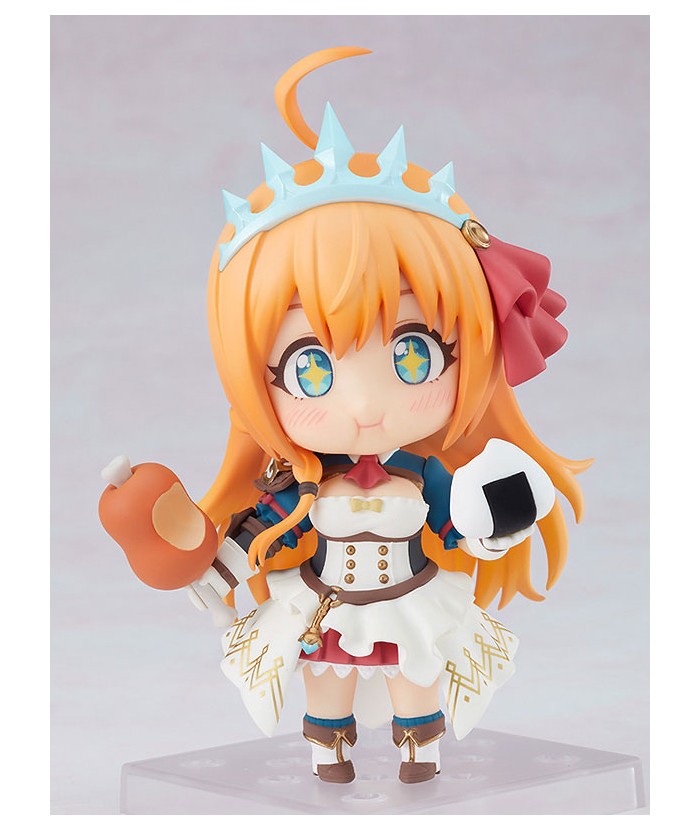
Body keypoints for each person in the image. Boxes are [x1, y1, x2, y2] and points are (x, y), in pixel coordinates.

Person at [99, 46, 590, 785]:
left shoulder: (424, 473)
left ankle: (420, 749)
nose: (362, 406)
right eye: (311, 368)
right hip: (325, 605)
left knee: (418, 674)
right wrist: (206, 566)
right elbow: (260, 530)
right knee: (326, 682)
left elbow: (461, 526)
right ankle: (329, 749)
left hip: (410, 597)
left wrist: (494, 520)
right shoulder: (298, 483)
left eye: (414, 354)